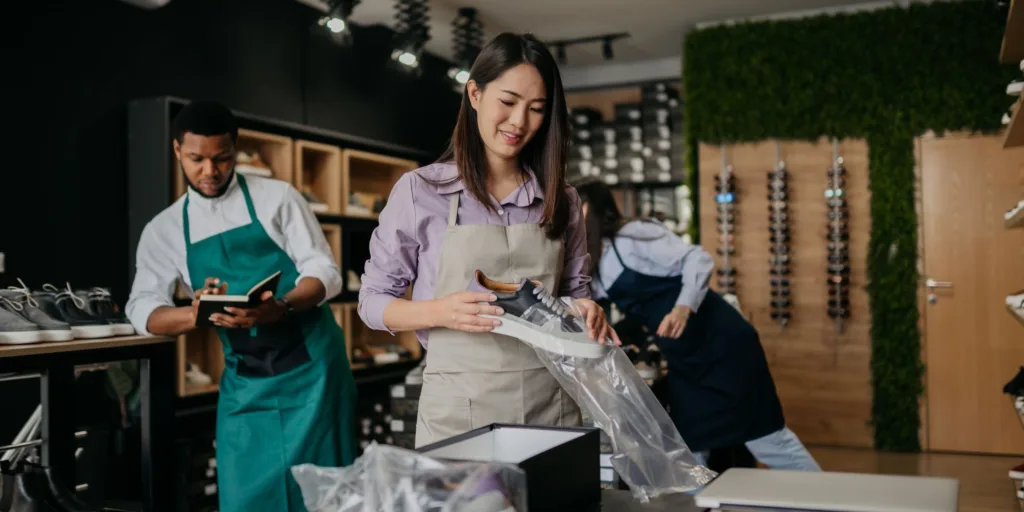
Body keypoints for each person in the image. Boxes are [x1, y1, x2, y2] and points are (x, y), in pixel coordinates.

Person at [358, 33, 617, 448]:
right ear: (475, 93)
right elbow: (371, 303)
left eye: (536, 109)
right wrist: (439, 311)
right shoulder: (420, 191)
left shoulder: (562, 199)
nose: (519, 122)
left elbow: (573, 294)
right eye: (508, 102)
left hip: (550, 406)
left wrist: (587, 311)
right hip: (458, 413)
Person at [126, 100, 356, 511]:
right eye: (196, 159)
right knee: (245, 498)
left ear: (236, 148)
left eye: (222, 159)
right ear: (177, 151)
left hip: (314, 373)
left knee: (325, 496)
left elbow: (327, 271)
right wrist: (195, 312)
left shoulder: (277, 198)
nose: (210, 172)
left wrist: (281, 306)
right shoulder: (164, 229)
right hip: (246, 382)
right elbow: (143, 309)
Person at [572, 177, 820, 472]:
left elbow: (697, 258)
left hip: (722, 347)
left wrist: (682, 307)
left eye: (575, 205)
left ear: (592, 207)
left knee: (769, 440)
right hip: (688, 360)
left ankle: (828, 502)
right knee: (691, 447)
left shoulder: (632, 237)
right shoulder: (596, 256)